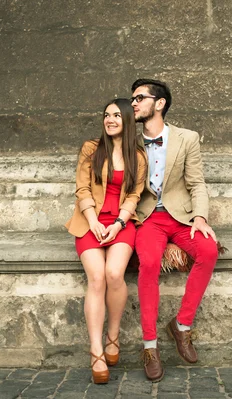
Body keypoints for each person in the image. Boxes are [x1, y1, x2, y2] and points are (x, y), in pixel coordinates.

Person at [130, 79, 219, 382]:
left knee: (208, 251)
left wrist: (201, 217)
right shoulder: (129, 140)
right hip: (147, 219)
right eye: (133, 99)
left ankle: (181, 326)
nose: (134, 103)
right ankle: (150, 346)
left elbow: (196, 183)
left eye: (140, 98)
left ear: (160, 103)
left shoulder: (187, 138)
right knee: (150, 264)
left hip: (181, 217)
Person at [65, 98, 147, 384]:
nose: (109, 120)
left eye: (115, 115)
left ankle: (113, 335)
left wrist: (119, 223)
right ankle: (96, 350)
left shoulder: (138, 156)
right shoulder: (91, 149)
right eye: (106, 115)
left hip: (122, 224)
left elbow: (135, 195)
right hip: (90, 222)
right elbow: (82, 187)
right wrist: (94, 222)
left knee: (114, 273)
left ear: (127, 120)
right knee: (97, 277)